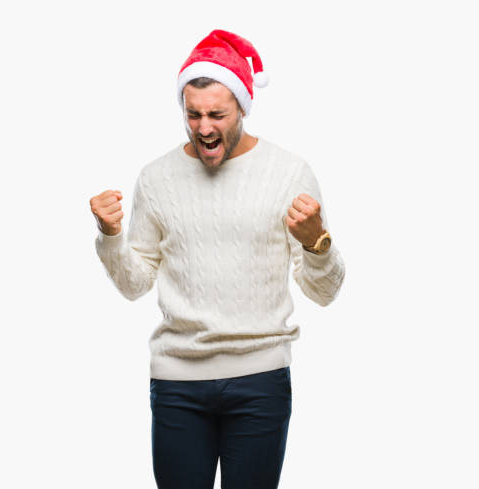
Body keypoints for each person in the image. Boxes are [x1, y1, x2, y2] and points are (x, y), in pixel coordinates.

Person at [89, 29, 345, 489]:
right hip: (177, 383)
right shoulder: (156, 178)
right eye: (193, 114)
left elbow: (324, 292)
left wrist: (316, 242)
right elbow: (135, 284)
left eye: (217, 115)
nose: (204, 127)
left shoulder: (289, 173)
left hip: (260, 379)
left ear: (243, 108)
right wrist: (111, 238)